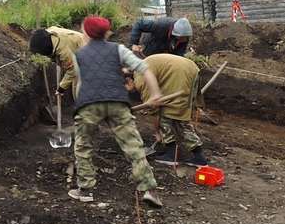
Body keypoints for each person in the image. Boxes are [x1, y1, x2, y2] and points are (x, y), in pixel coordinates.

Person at [70, 15, 166, 207]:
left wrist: (79, 104)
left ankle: (86, 189)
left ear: (86, 32)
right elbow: (144, 68)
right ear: (107, 33)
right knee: (134, 146)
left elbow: (80, 82)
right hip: (118, 102)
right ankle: (149, 189)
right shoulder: (118, 49)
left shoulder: (79, 55)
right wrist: (155, 94)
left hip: (89, 103)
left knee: (83, 146)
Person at [126, 53, 207, 166]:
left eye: (126, 88)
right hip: (189, 68)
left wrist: (157, 132)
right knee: (177, 114)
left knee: (170, 115)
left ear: (129, 80)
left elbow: (154, 110)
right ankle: (197, 156)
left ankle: (172, 154)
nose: (129, 91)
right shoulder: (141, 68)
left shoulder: (140, 79)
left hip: (179, 72)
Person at [28, 25, 88, 95]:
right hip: (77, 50)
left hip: (88, 55)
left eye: (42, 53)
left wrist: (61, 88)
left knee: (79, 90)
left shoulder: (63, 51)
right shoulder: (49, 34)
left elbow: (72, 70)